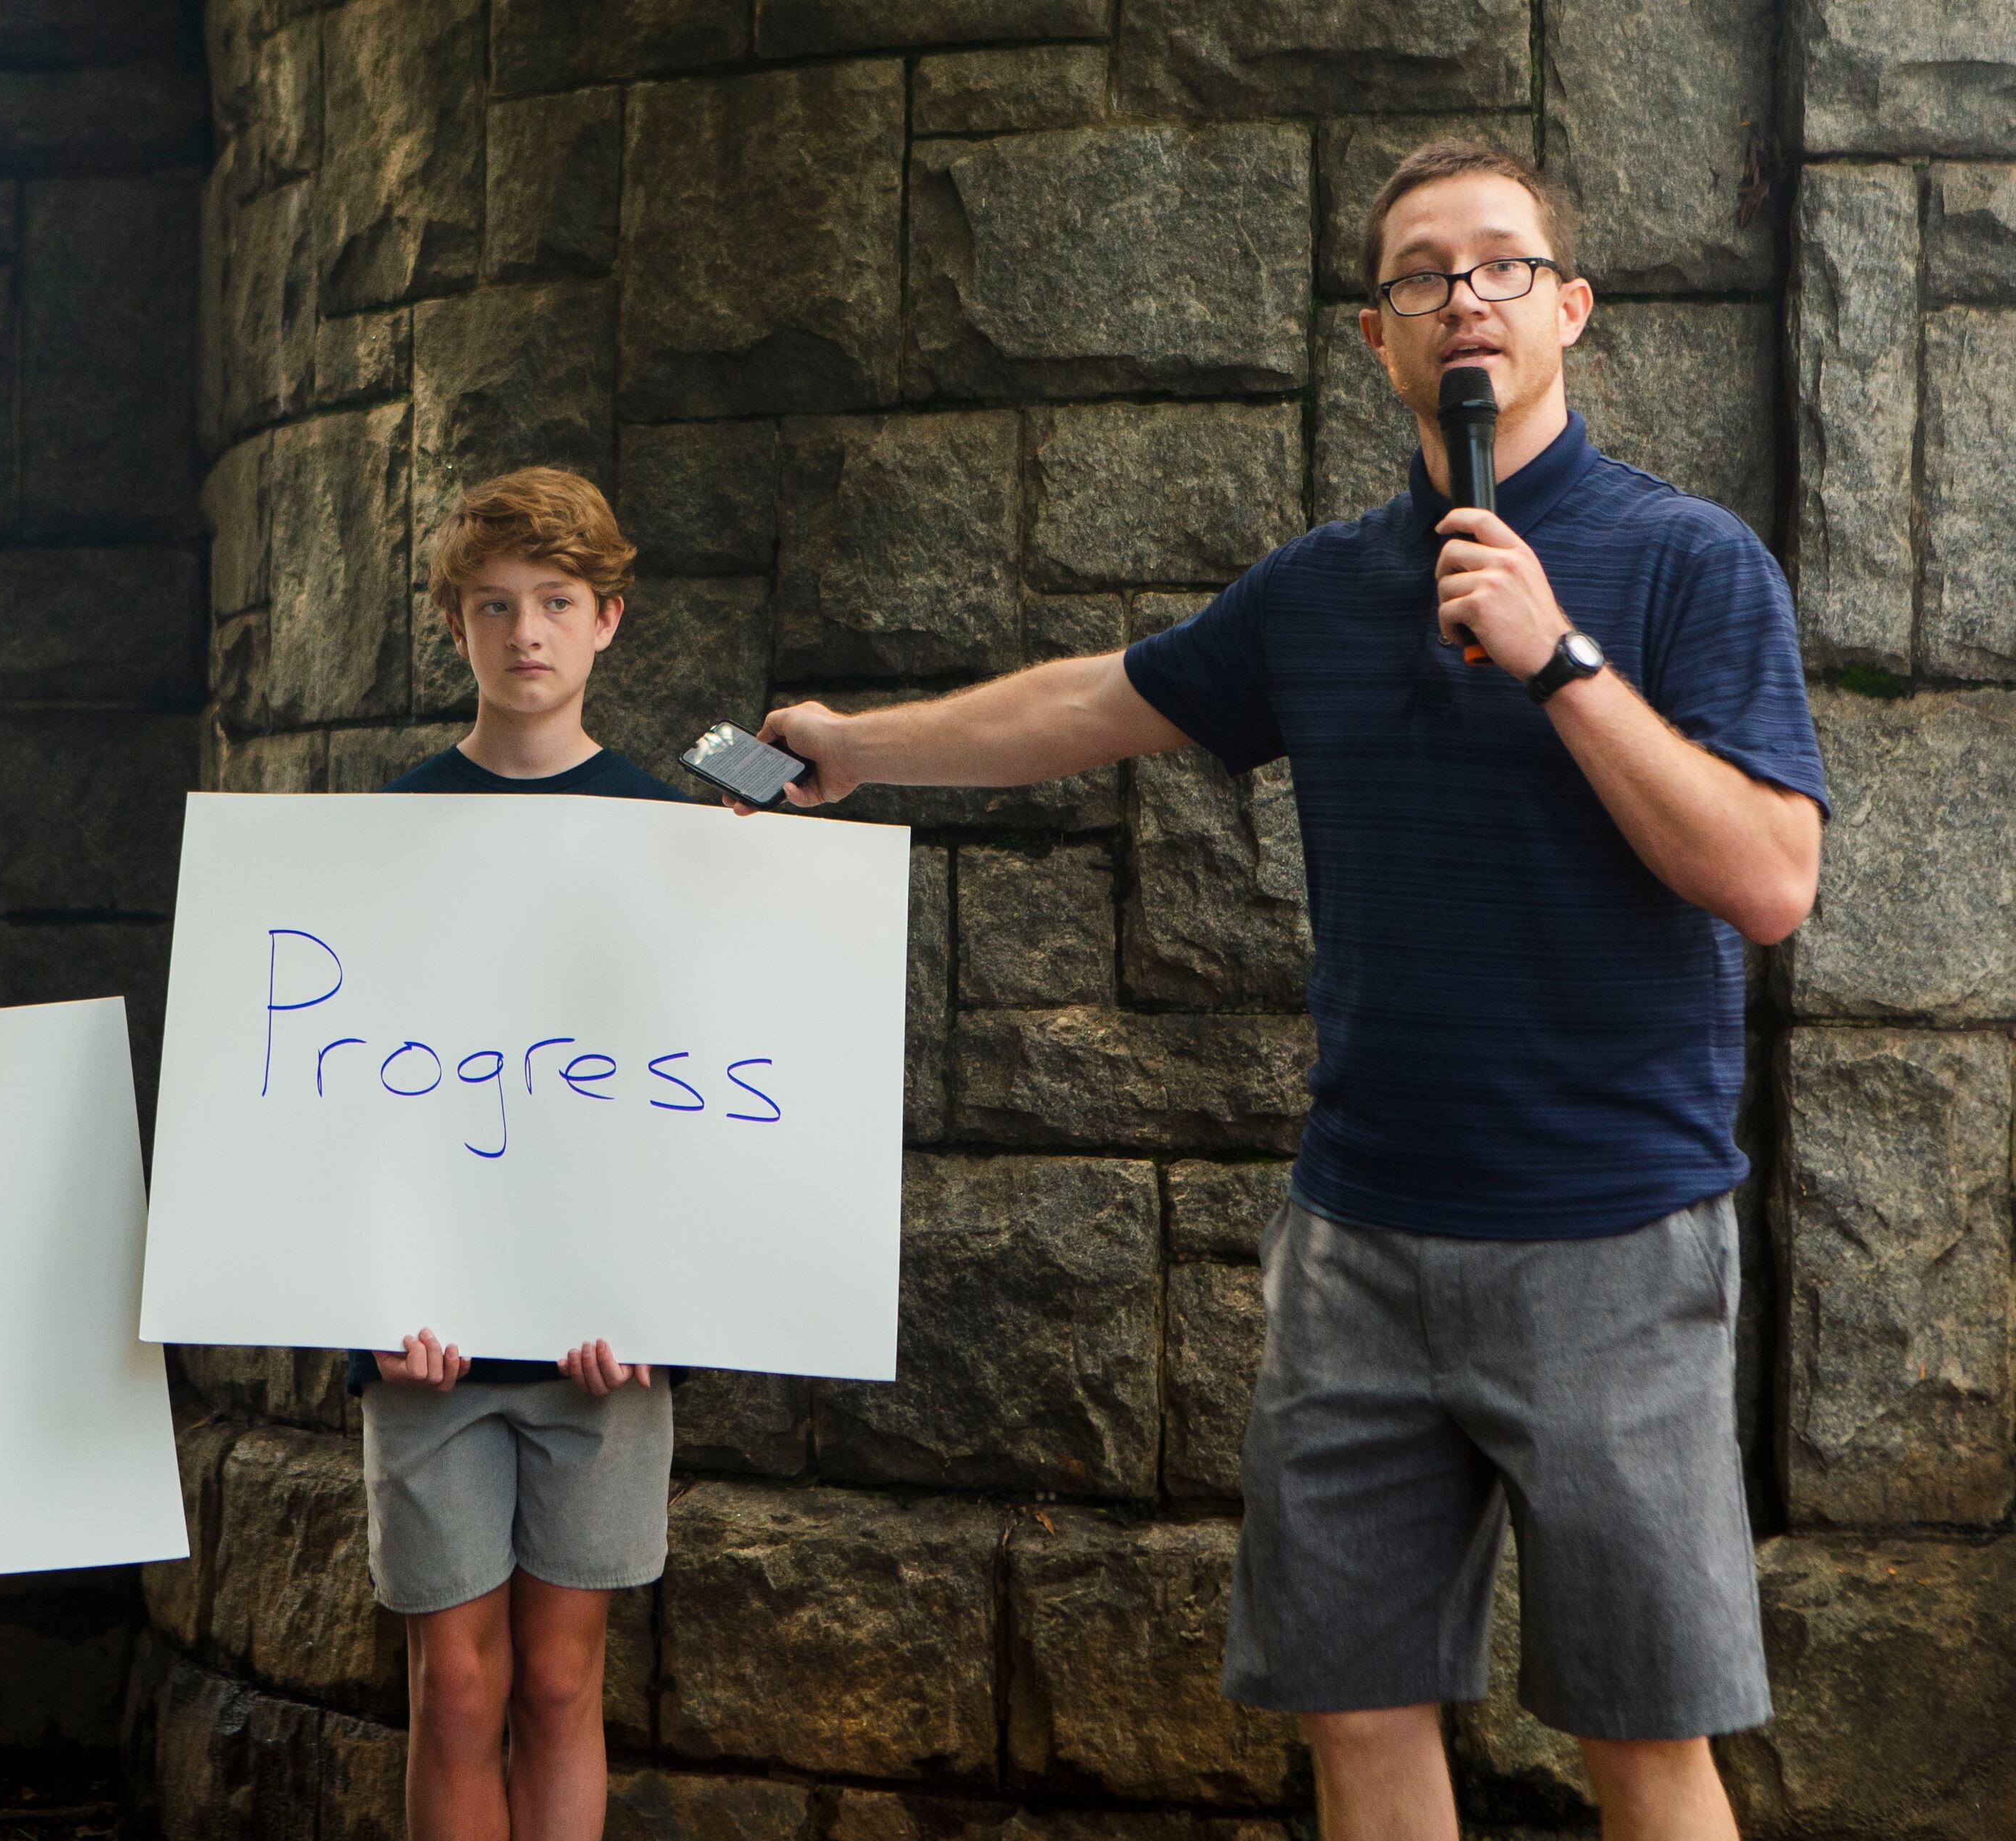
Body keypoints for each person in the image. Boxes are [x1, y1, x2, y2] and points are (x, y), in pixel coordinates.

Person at [746, 142, 1825, 1841]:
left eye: (1498, 265)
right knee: (1356, 1709)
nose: (1462, 296)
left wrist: (1561, 660)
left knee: (1646, 1732)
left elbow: (1768, 878)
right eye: (1419, 274)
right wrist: (858, 748)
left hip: (1614, 1238)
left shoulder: (1691, 568)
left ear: (1570, 310)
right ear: (1377, 340)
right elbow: (1096, 700)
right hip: (1359, 1245)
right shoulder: (1323, 588)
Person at [354, 467, 681, 1841]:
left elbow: (701, 1096)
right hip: (426, 1342)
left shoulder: (676, 837)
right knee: (458, 1682)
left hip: (605, 1347)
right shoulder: (383, 834)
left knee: (558, 1680)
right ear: (456, 628)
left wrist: (670, 1306)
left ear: (608, 619)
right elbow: (338, 1095)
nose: (527, 634)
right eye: (496, 608)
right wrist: (358, 1303)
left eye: (556, 603)